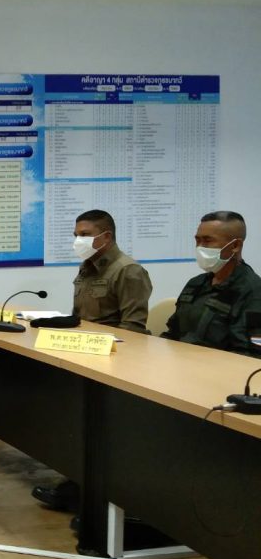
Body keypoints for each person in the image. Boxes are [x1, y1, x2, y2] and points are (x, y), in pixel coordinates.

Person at [33, 209, 153, 511]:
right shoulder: (87, 267)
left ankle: (89, 491)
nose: (78, 240)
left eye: (85, 235)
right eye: (76, 235)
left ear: (106, 236)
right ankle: (77, 481)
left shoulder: (128, 271)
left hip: (112, 363)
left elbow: (133, 330)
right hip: (84, 355)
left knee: (96, 429)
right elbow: (81, 318)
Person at [162, 210, 261, 357]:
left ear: (235, 246)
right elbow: (173, 333)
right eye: (197, 240)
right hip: (181, 362)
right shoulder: (196, 284)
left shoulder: (253, 292)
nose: (200, 247)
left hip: (217, 369)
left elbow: (251, 355)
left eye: (207, 241)